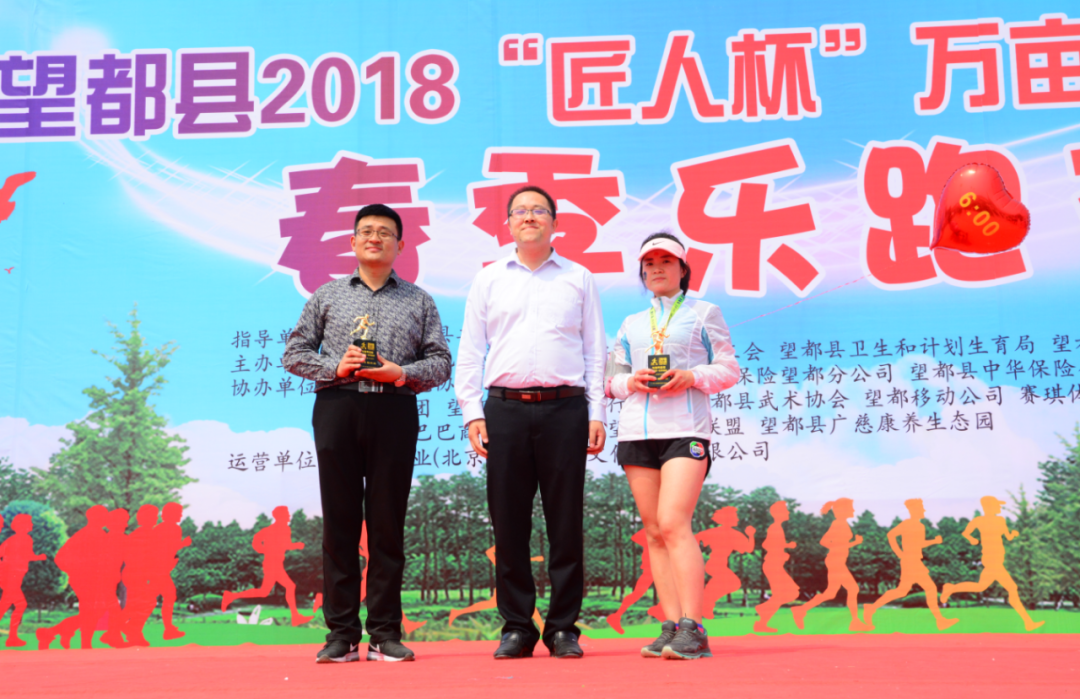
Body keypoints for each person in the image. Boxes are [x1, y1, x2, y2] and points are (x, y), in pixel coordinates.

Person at [284, 203, 452, 663]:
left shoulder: (419, 300)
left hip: (394, 410)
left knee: (386, 525)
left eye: (385, 232)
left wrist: (402, 373)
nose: (375, 238)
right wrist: (333, 367)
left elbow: (441, 363)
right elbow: (294, 352)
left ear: (401, 244)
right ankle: (341, 634)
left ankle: (384, 633)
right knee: (339, 524)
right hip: (338, 406)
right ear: (353, 242)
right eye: (366, 231)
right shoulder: (327, 295)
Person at [455, 185, 607, 660]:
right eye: (519, 211)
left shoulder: (579, 277)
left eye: (539, 210)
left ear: (554, 223)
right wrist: (472, 412)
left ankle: (563, 629)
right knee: (508, 522)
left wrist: (597, 413)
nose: (529, 217)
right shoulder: (489, 279)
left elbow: (595, 352)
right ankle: (517, 627)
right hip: (505, 410)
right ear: (508, 224)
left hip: (566, 409)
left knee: (565, 522)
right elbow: (470, 351)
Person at [607, 232, 739, 659]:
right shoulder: (630, 324)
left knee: (672, 522)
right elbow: (610, 380)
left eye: (666, 261)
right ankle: (670, 626)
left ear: (683, 269)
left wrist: (692, 376)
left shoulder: (704, 312)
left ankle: (693, 628)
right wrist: (632, 382)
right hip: (636, 432)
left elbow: (729, 368)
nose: (657, 268)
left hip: (686, 429)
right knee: (653, 531)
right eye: (649, 263)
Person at [941, 496, 1044, 631]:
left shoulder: (997, 520)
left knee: (981, 587)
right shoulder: (981, 520)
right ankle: (1028, 623)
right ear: (989, 506)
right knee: (1012, 588)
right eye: (997, 505)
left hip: (996, 558)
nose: (999, 507)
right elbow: (966, 533)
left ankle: (951, 588)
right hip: (991, 559)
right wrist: (972, 539)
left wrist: (1012, 534)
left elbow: (1006, 536)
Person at [863, 498, 957, 631]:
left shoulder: (920, 526)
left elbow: (919, 544)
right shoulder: (907, 524)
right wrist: (899, 553)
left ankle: (871, 608)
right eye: (921, 508)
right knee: (929, 588)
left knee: (903, 591)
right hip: (910, 560)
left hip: (915, 560)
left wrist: (933, 541)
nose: (923, 510)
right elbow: (891, 535)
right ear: (914, 510)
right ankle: (940, 621)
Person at [222, 505, 313, 626]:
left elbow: (286, 545)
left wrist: (295, 545)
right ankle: (295, 617)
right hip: (271, 563)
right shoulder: (269, 530)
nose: (289, 516)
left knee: (266, 591)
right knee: (289, 587)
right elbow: (256, 541)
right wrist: (265, 550)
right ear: (279, 516)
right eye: (286, 514)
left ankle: (231, 596)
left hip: (277, 563)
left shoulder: (286, 529)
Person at [792, 498, 870, 632]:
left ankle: (801, 610)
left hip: (837, 560)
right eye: (850, 507)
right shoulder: (838, 524)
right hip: (836, 560)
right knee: (853, 589)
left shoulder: (842, 523)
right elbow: (824, 541)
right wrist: (852, 543)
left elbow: (839, 544)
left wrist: (851, 543)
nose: (853, 510)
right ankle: (855, 622)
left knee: (830, 593)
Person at [697, 507, 755, 620]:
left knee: (730, 583)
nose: (737, 519)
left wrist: (751, 535)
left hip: (717, 564)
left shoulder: (728, 533)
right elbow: (749, 548)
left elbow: (748, 549)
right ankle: (705, 603)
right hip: (715, 564)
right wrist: (751, 535)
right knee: (733, 583)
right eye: (735, 517)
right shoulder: (728, 533)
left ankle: (705, 604)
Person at [754, 501, 801, 633]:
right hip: (773, 565)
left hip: (774, 565)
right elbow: (768, 545)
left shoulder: (776, 528)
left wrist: (786, 546)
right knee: (791, 593)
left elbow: (768, 544)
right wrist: (782, 552)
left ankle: (762, 618)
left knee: (789, 593)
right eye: (785, 510)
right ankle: (762, 613)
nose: (788, 512)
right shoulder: (775, 528)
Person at [0, 513, 46, 647]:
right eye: (29, 522)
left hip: (10, 576)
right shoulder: (25, 539)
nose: (31, 524)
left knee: (9, 604)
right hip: (12, 576)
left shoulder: (11, 539)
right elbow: (28, 555)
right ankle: (12, 638)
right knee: (17, 604)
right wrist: (40, 557)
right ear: (22, 525)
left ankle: (12, 638)